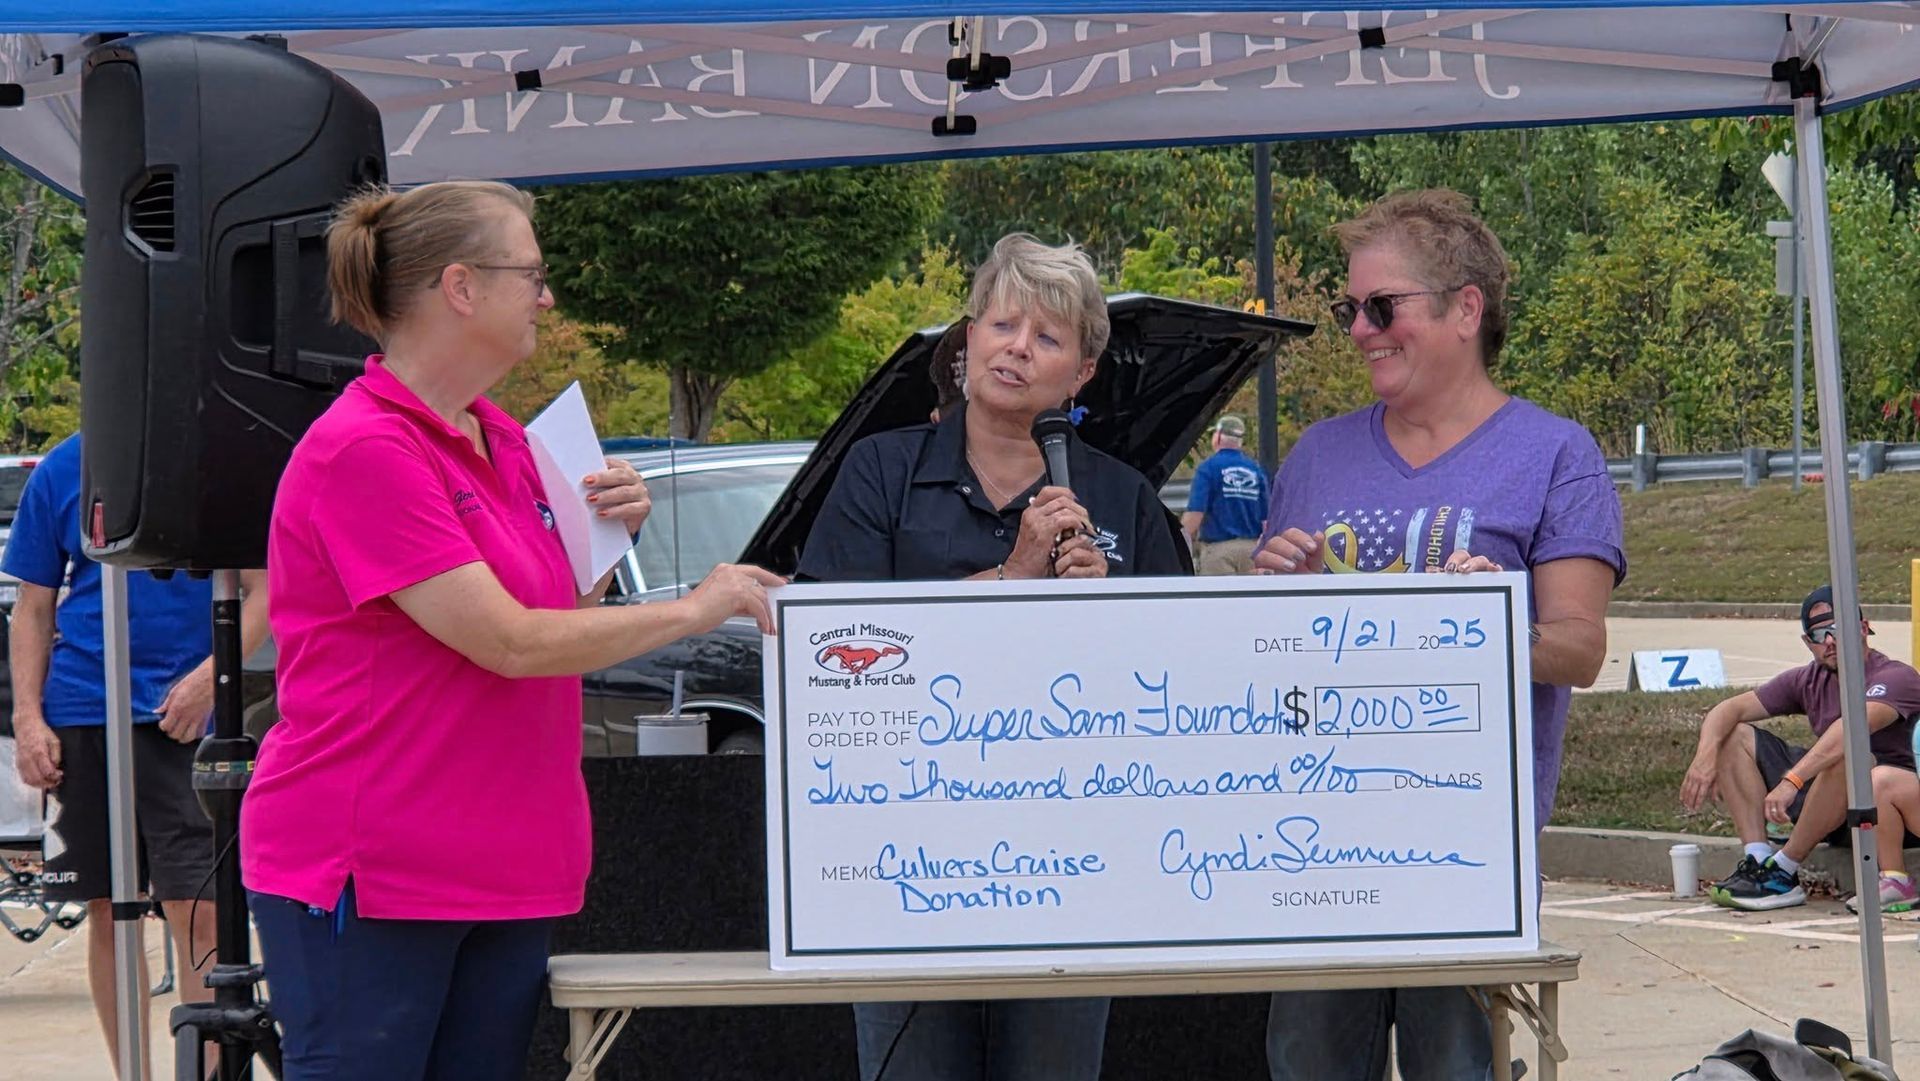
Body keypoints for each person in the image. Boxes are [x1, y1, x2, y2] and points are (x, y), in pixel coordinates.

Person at [240, 180, 784, 1081]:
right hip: (380, 867)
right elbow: (507, 641)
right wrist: (698, 606)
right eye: (530, 272)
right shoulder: (366, 449)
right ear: (460, 287)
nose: (547, 295)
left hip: (502, 858)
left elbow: (558, 625)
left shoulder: (510, 441)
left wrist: (611, 540)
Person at [1253, 189, 1625, 1081]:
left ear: (1466, 309)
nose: (1358, 330)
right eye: (1350, 309)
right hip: (1315, 843)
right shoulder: (1314, 455)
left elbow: (1578, 648)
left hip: (1465, 854)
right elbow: (1271, 671)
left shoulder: (1556, 453)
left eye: (1382, 306)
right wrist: (1267, 606)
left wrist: (1486, 624)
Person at [798, 232, 1187, 1081]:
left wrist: (1109, 613)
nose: (1016, 348)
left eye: (1046, 338)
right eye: (1001, 324)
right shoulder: (880, 472)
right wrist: (1009, 578)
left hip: (1074, 861)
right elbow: (831, 652)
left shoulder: (1120, 496)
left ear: (1082, 372)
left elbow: (1182, 686)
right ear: (966, 340)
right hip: (903, 852)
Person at [4, 432, 270, 1079]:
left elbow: (267, 590)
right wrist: (28, 716)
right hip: (83, 713)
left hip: (186, 718)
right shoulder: (66, 468)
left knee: (199, 906)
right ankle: (133, 1072)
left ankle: (204, 1071)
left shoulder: (213, 459)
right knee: (108, 906)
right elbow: (33, 607)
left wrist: (212, 678)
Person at [1681, 584, 1920, 913]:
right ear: (1808, 643)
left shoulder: (1896, 677)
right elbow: (1728, 710)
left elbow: (1853, 727)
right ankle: (1759, 861)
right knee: (1732, 735)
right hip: (1832, 803)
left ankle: (1783, 872)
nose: (1830, 641)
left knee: (1850, 755)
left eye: (1838, 629)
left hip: (1883, 811)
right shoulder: (1808, 679)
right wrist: (1704, 758)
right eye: (1819, 634)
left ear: (1863, 629)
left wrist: (1791, 780)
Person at [1181, 414, 1269, 574]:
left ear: (1219, 436)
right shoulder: (1256, 470)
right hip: (1252, 552)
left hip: (1219, 553)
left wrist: (1180, 544)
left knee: (1219, 599)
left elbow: (1195, 514)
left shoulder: (1208, 468)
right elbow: (1267, 521)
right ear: (1240, 441)